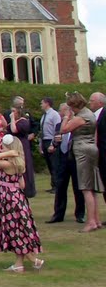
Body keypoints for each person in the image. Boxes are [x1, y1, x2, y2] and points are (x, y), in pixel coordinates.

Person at [0, 134, 44, 273]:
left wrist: (7, 153)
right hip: (18, 198)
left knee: (15, 230)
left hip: (10, 200)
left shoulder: (8, 163)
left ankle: (32, 260)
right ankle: (20, 264)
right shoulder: (19, 163)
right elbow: (21, 184)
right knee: (18, 229)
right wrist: (1, 182)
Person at [59, 93, 102, 232]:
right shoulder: (89, 113)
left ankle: (91, 222)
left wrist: (66, 116)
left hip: (83, 151)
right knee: (91, 187)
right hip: (90, 149)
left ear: (73, 105)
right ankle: (96, 220)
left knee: (85, 188)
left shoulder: (82, 116)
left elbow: (64, 130)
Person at [47, 103, 86, 224]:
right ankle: (58, 214)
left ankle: (80, 214)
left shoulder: (77, 123)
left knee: (78, 187)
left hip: (74, 158)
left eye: (61, 111)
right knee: (60, 187)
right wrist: (54, 143)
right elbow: (56, 139)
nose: (59, 113)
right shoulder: (59, 125)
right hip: (62, 158)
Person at [8, 97, 36, 198]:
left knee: (24, 165)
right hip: (14, 145)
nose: (12, 113)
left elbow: (14, 130)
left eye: (13, 111)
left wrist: (12, 119)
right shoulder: (16, 120)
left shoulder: (23, 121)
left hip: (22, 145)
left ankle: (27, 189)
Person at [38, 97, 61, 191]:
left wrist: (53, 143)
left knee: (54, 163)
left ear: (47, 103)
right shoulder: (44, 115)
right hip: (44, 140)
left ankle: (57, 185)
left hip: (51, 140)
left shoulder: (54, 114)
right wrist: (40, 144)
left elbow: (57, 129)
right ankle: (53, 185)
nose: (41, 105)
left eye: (42, 103)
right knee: (49, 164)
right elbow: (41, 130)